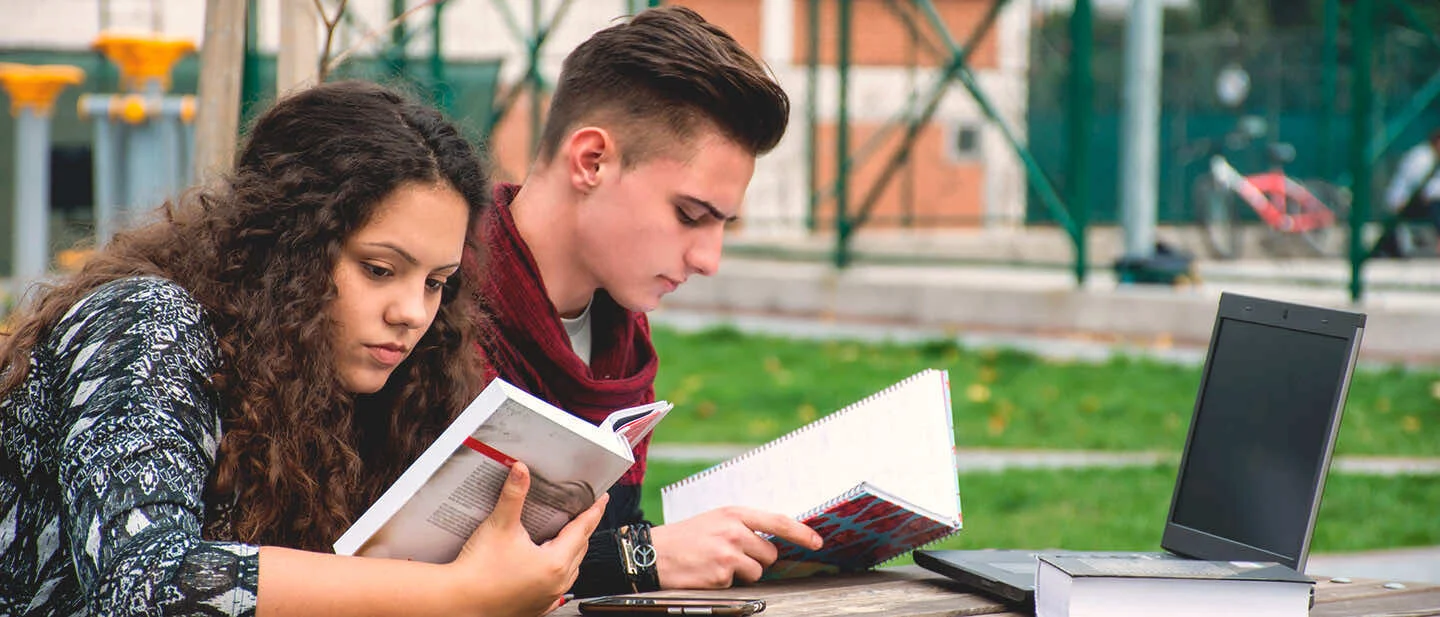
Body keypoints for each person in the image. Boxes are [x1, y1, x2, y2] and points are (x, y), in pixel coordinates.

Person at [0, 80, 605, 617]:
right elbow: (145, 585)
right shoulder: (144, 322)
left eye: (436, 283)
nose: (413, 312)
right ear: (286, 248)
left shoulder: (381, 386)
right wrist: (456, 596)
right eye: (378, 269)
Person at [465, 6, 822, 597]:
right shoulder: (433, 305)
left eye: (724, 225)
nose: (709, 259)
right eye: (689, 215)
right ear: (592, 161)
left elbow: (594, 548)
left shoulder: (623, 343)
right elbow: (405, 569)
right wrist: (638, 556)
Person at [1375, 130, 1440, 257]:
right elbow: (1420, 188)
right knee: (1436, 206)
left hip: (1419, 203)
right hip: (1403, 202)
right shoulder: (1422, 157)